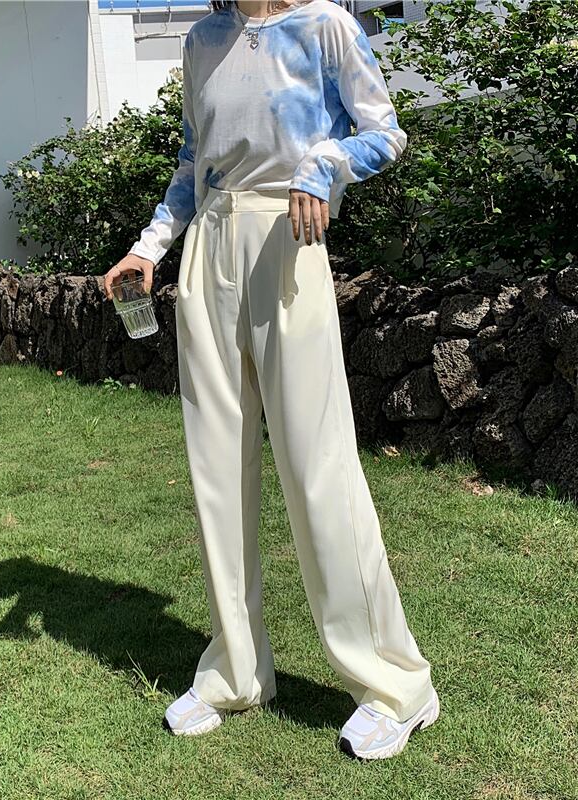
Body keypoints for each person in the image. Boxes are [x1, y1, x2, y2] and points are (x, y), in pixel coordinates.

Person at [103, 0, 439, 761]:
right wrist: (149, 246)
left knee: (319, 468)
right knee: (216, 469)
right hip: (209, 246)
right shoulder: (203, 40)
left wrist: (321, 167)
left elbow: (384, 131)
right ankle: (236, 673)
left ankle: (396, 686)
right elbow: (192, 161)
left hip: (289, 239)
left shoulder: (325, 25)